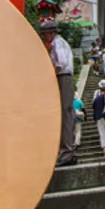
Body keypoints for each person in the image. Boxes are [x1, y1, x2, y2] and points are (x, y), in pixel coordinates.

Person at [40, 20, 77, 167]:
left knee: (65, 114)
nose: (44, 38)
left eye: (45, 35)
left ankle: (66, 152)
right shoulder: (61, 43)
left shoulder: (57, 44)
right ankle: (69, 151)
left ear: (51, 33)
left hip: (63, 77)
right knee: (67, 113)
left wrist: (49, 76)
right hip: (66, 78)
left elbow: (60, 64)